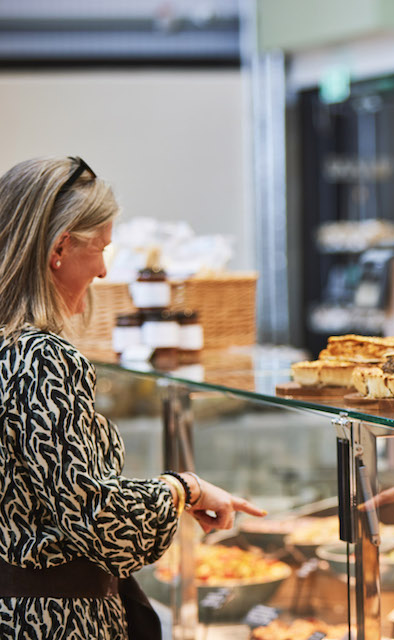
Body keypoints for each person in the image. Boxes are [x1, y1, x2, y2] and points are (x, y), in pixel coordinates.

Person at [0, 156, 266, 639]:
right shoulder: (42, 357)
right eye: (100, 249)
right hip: (53, 623)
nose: (104, 270)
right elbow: (98, 518)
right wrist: (183, 488)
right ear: (60, 247)